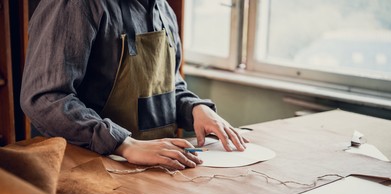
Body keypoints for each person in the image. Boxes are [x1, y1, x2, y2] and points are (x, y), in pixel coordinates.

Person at [21, 0, 247, 170]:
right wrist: (124, 144)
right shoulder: (77, 5)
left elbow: (167, 84)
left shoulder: (164, 10)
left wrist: (195, 108)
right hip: (89, 173)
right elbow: (44, 98)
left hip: (157, 172)